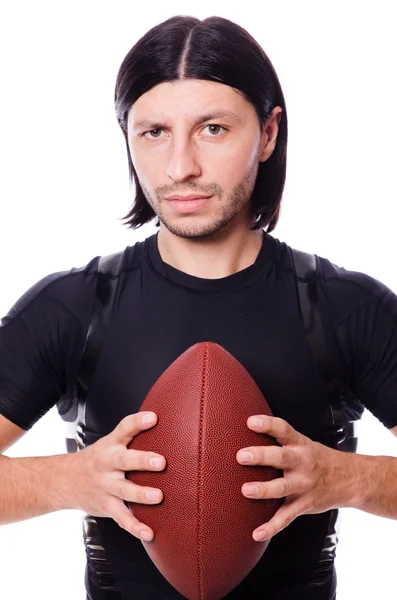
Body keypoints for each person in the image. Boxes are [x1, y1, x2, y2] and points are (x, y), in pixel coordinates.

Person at [1, 14, 397, 600]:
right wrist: (66, 480)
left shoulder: (345, 308)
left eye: (212, 129)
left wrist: (349, 478)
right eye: (154, 132)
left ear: (267, 135)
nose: (180, 166)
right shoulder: (73, 308)